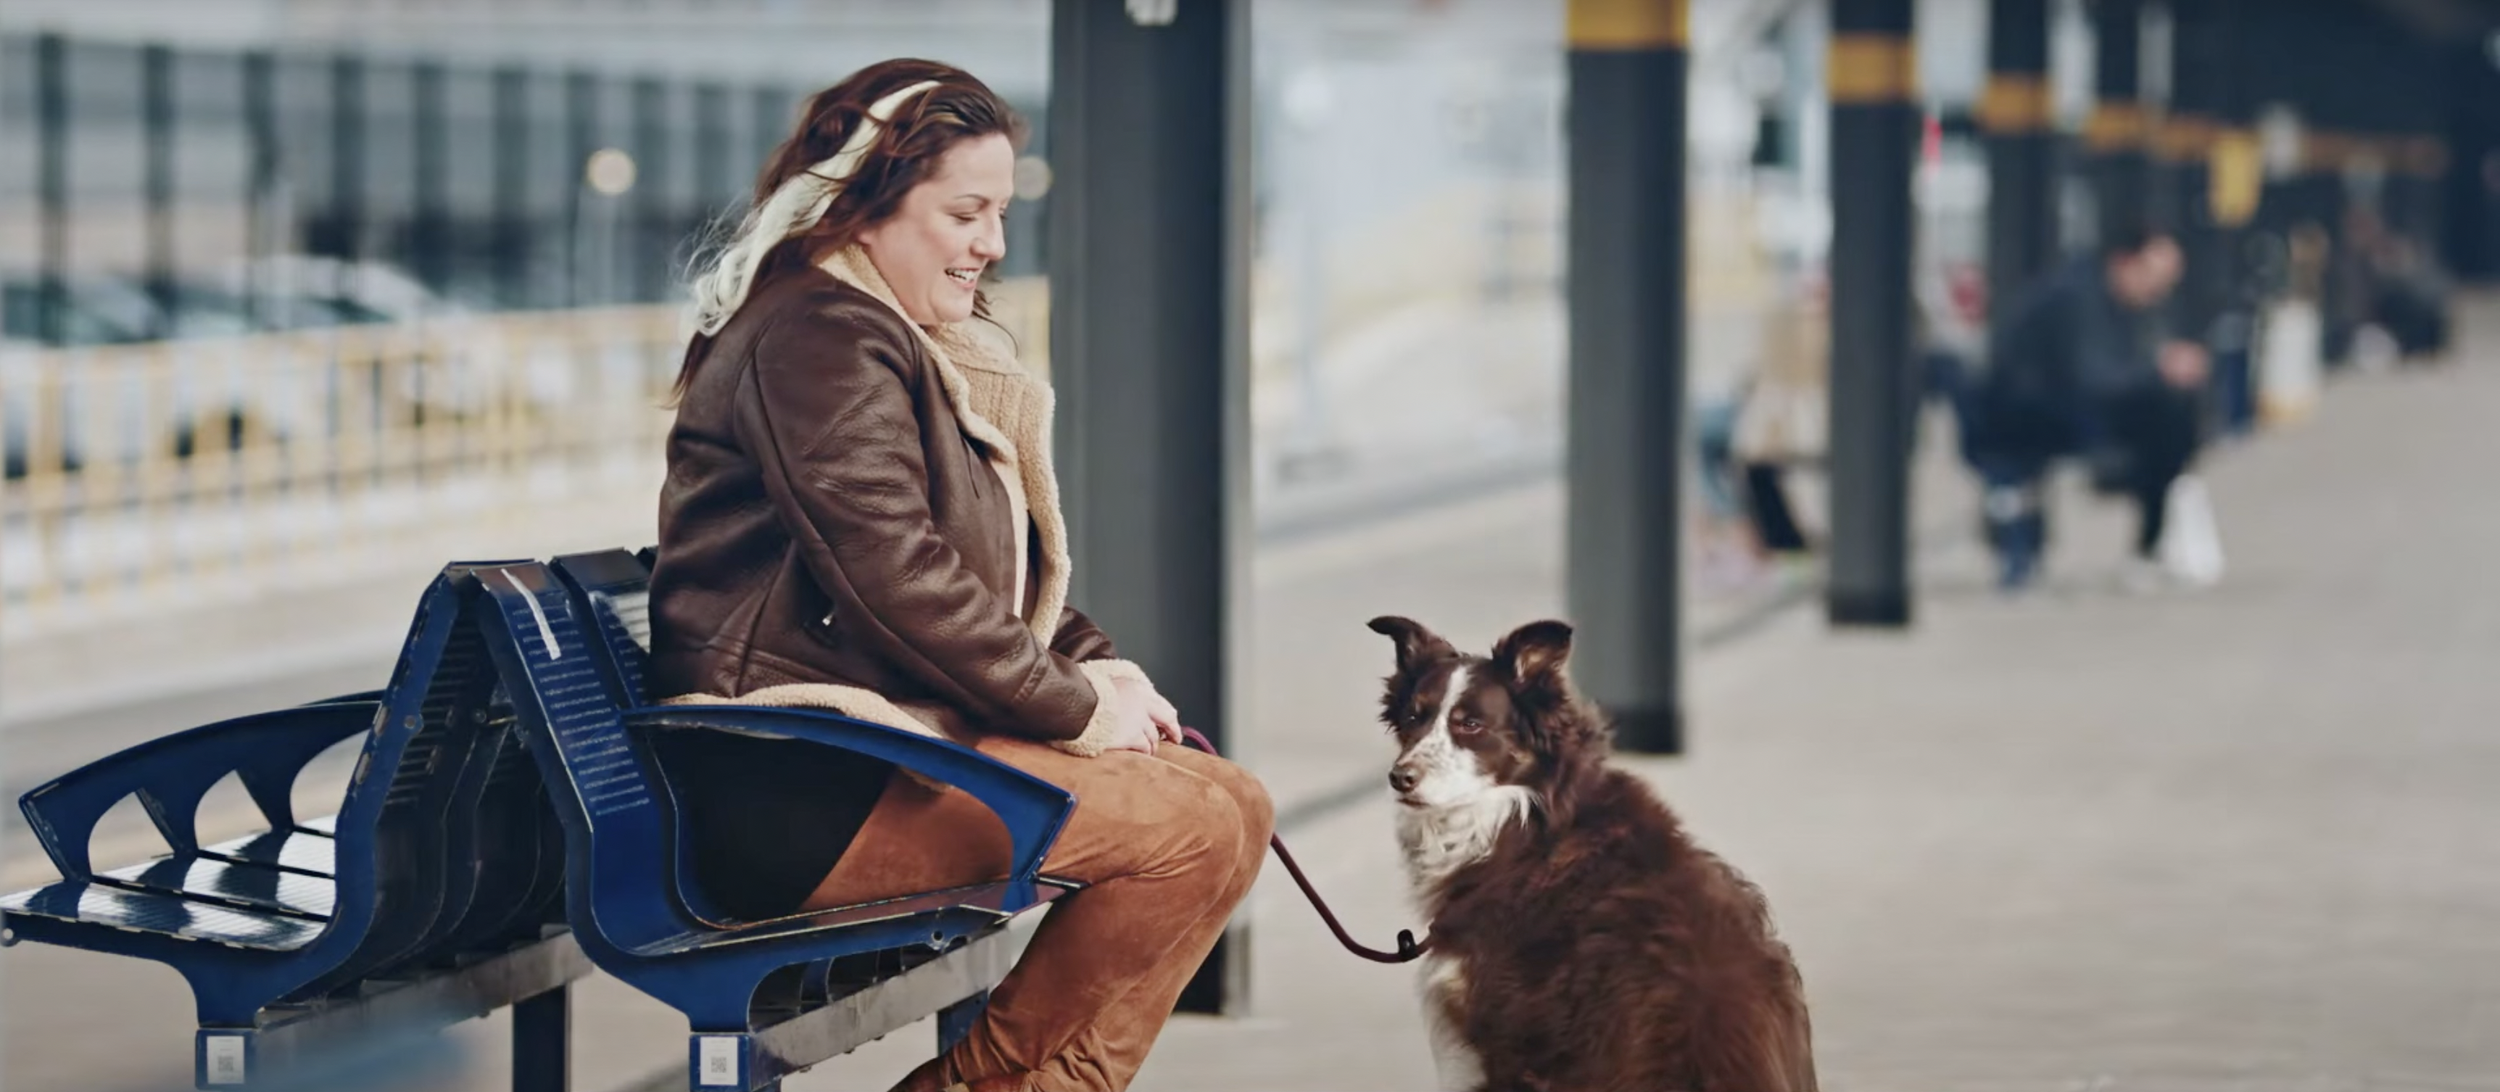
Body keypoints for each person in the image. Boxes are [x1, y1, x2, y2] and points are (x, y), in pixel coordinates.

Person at [643, 59, 1272, 1092]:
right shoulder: (816, 337)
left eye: (1000, 213)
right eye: (966, 212)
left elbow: (980, 564)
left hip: (866, 753)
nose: (992, 244)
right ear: (862, 207)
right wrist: (1072, 707)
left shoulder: (883, 336)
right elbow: (896, 575)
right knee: (1190, 831)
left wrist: (1107, 671)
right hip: (798, 784)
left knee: (1231, 801)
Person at [1966, 222, 2210, 591]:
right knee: (2167, 417)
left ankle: (2146, 537)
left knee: (2171, 414)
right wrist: (2160, 369)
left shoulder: (2106, 298)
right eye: (2154, 277)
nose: (2158, 292)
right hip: (2021, 416)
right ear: (2127, 263)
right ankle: (2142, 538)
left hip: (2052, 408)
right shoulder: (2081, 298)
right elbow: (2094, 377)